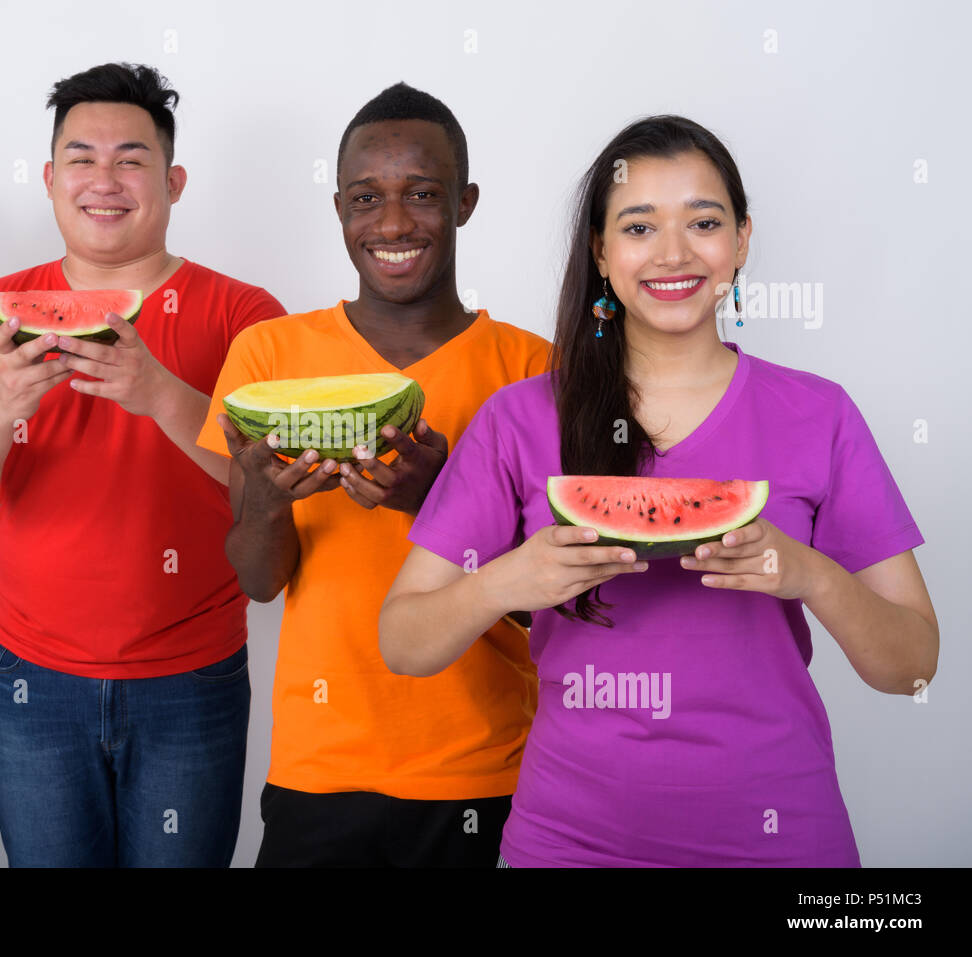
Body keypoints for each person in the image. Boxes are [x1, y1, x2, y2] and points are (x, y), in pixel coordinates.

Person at [379, 115, 939, 867]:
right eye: (639, 227)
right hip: (568, 842)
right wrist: (509, 580)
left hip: (780, 837)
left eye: (703, 223)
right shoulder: (518, 418)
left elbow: (914, 667)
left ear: (741, 241)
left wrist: (807, 574)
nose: (674, 253)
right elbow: (402, 641)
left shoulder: (820, 414)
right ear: (602, 254)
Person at [0, 62, 285, 868]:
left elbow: (273, 493)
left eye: (132, 159)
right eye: (82, 158)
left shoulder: (246, 314)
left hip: (194, 680)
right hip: (32, 681)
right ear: (51, 179)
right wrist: (2, 403)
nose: (104, 180)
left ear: (173, 180)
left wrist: (161, 394)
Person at [196, 83, 552, 867]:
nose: (392, 223)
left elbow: (562, 608)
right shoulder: (267, 361)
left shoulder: (533, 370)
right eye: (367, 198)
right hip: (320, 767)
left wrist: (442, 504)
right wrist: (267, 505)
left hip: (488, 767)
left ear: (465, 202)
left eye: (422, 194)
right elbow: (259, 580)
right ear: (338, 209)